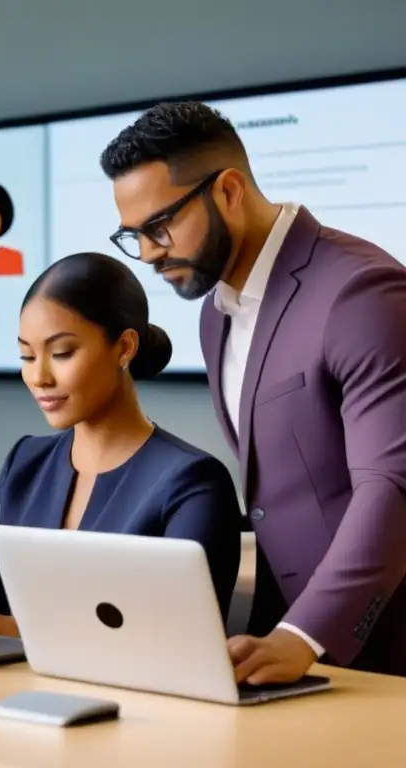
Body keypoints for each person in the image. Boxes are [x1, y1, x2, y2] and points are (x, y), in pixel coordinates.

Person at [100, 101, 406, 682]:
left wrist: (306, 633)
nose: (146, 254)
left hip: (383, 646)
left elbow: (392, 485)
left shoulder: (362, 292)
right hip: (279, 641)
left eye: (159, 228)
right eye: (131, 235)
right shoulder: (215, 313)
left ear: (229, 192)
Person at [0, 252, 242, 636]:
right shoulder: (25, 461)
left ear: (124, 348)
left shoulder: (193, 483)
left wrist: (13, 630)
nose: (39, 376)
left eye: (62, 353)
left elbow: (176, 637)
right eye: (27, 355)